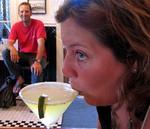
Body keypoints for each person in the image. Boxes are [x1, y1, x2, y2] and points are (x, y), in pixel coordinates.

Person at [55, 0, 150, 129]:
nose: (65, 70)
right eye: (67, 50)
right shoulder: (109, 98)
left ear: (133, 59)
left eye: (80, 54)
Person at [2, 2, 47, 95]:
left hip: (37, 55)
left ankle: (34, 99)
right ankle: (19, 78)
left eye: (26, 11)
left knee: (36, 71)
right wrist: (12, 48)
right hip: (23, 55)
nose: (24, 14)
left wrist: (37, 61)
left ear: (31, 13)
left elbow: (41, 45)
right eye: (21, 11)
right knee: (5, 53)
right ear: (19, 13)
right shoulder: (16, 26)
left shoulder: (39, 24)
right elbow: (9, 43)